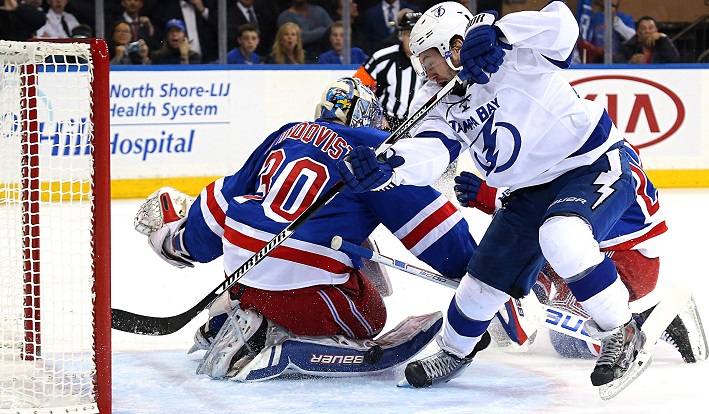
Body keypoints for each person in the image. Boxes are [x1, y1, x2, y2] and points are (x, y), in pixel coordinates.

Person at [337, 1, 647, 390]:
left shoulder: (513, 53)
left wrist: (502, 33)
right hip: (527, 190)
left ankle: (623, 330)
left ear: (454, 43)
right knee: (480, 283)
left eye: (429, 58)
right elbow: (434, 151)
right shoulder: (436, 97)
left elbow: (562, 25)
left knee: (562, 235)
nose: (424, 70)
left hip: (590, 161)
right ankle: (454, 350)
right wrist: (391, 167)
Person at [134, 77, 478, 381]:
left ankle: (234, 310)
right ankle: (272, 332)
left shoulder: (288, 132)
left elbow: (225, 195)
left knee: (346, 245)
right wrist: (477, 270)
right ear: (368, 116)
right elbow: (430, 227)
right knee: (370, 315)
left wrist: (180, 242)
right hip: (299, 282)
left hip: (242, 268)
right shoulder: (376, 150)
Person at [453, 141, 706, 363]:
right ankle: (525, 298)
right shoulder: (584, 141)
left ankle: (653, 322)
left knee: (566, 339)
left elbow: (550, 207)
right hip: (597, 245)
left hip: (625, 257)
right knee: (538, 238)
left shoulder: (586, 153)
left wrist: (497, 198)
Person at [354, 10, 422, 130]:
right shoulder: (382, 58)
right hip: (386, 125)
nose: (413, 40)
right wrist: (376, 115)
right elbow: (357, 87)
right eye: (409, 35)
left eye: (418, 35)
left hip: (420, 126)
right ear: (401, 36)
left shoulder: (433, 60)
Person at [151, 0, 218, 63]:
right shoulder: (166, 7)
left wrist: (203, 10)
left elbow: (222, 30)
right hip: (177, 61)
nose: (174, 34)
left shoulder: (208, 4)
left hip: (209, 61)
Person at [616, 16, 680, 64]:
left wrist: (664, 38)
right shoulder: (627, 47)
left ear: (656, 30)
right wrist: (630, 62)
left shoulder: (662, 45)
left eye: (651, 28)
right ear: (638, 32)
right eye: (643, 28)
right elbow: (616, 66)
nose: (647, 31)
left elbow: (675, 60)